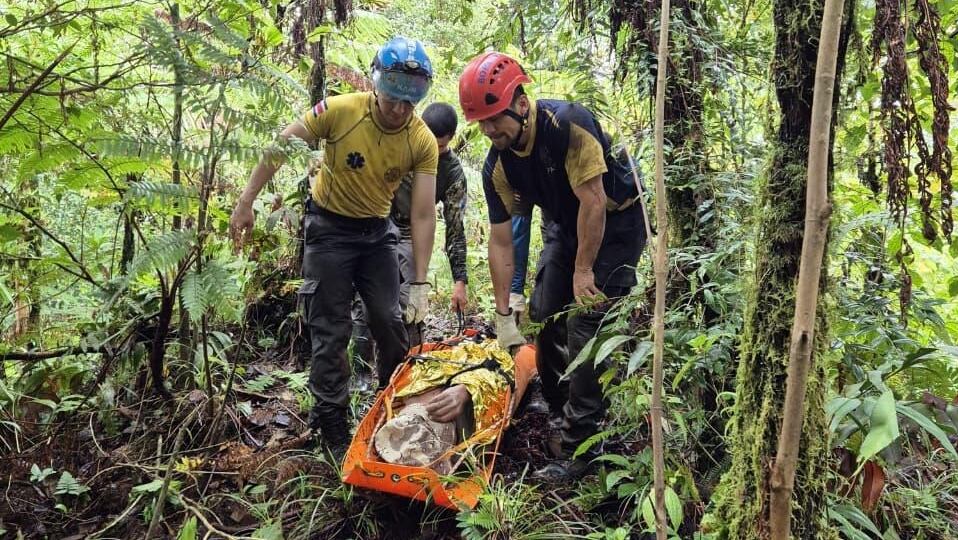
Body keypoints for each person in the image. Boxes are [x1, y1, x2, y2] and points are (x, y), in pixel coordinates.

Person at [229, 36, 439, 454]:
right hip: (328, 231)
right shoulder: (342, 111)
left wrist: (419, 283)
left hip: (378, 235)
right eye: (392, 98)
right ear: (376, 85)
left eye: (408, 102)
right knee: (330, 331)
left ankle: (390, 405)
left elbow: (422, 214)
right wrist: (246, 201)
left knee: (388, 321)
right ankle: (332, 427)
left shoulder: (421, 139)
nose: (399, 110)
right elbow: (283, 144)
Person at [459, 51, 647, 481]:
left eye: (494, 119)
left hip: (615, 223)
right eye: (481, 123)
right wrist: (504, 311)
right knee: (543, 313)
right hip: (566, 224)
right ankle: (560, 403)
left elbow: (595, 203)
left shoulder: (568, 127)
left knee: (585, 320)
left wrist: (584, 272)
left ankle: (583, 444)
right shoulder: (498, 166)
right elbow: (502, 239)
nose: (489, 130)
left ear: (521, 104)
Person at [351, 102, 470, 366]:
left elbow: (455, 227)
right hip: (377, 222)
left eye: (438, 146)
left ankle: (405, 370)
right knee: (364, 302)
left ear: (450, 140)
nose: (430, 150)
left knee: (409, 306)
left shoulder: (452, 172)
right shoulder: (398, 142)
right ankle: (359, 374)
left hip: (410, 233)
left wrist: (459, 280)